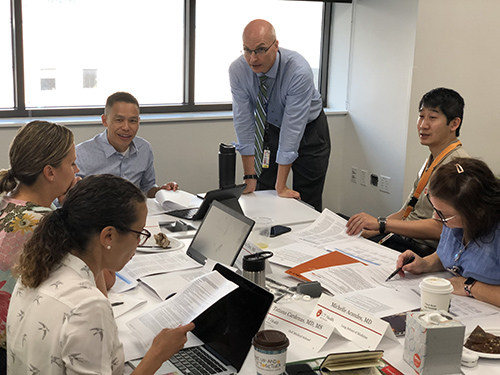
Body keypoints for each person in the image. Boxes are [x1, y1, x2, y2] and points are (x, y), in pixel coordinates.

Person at [7, 174, 194, 374]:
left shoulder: (38, 267)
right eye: (139, 234)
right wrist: (157, 354)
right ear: (108, 236)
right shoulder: (89, 306)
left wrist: (100, 262)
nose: (140, 243)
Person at [346, 88, 469, 256]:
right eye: (421, 116)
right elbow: (406, 213)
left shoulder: (457, 166)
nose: (423, 125)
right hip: (403, 238)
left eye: (432, 118)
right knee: (346, 232)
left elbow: (442, 228)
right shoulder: (433, 159)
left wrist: (382, 224)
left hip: (424, 250)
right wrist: (373, 227)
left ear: (454, 124)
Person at [0, 120, 82, 373]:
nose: (77, 169)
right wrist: (76, 208)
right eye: (71, 163)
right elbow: (101, 281)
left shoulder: (7, 201)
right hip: (18, 348)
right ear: (50, 172)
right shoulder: (49, 225)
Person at [229, 19, 331, 212]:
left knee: (306, 199)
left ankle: (306, 239)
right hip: (271, 128)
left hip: (310, 131)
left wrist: (282, 185)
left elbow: (292, 128)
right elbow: (244, 122)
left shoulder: (298, 71)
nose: (253, 58)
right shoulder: (238, 70)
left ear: (276, 45)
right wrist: (249, 177)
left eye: (260, 50)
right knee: (262, 189)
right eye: (247, 50)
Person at [396, 158, 500, 307]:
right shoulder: (454, 219)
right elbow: (456, 255)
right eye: (436, 210)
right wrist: (425, 264)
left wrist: (470, 287)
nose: (437, 218)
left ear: (478, 212)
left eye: (444, 214)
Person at [76, 91, 178, 198]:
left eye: (132, 121)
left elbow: (147, 187)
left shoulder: (144, 148)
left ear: (138, 122)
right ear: (105, 120)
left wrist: (161, 191)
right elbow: (68, 198)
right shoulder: (81, 154)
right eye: (119, 120)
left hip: (135, 213)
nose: (126, 127)